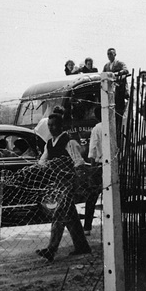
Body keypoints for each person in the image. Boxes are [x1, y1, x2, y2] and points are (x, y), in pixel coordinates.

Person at [35, 112, 91, 262]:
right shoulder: (49, 144)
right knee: (70, 216)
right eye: (49, 125)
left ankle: (51, 250)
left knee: (58, 214)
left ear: (61, 126)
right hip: (56, 184)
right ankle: (82, 246)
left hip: (67, 183)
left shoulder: (69, 142)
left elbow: (78, 163)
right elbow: (42, 162)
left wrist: (75, 182)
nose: (52, 128)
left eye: (54, 125)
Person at [84, 106, 104, 235]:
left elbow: (93, 149)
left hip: (99, 165)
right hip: (111, 165)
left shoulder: (97, 128)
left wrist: (92, 167)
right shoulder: (114, 125)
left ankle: (87, 227)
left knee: (92, 197)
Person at [103, 48, 129, 129]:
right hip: (110, 89)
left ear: (115, 54)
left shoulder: (119, 63)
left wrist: (116, 74)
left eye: (111, 54)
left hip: (119, 88)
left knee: (119, 108)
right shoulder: (106, 65)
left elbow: (126, 70)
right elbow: (103, 74)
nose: (109, 56)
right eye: (108, 54)